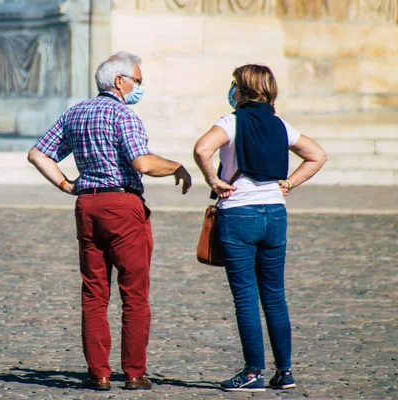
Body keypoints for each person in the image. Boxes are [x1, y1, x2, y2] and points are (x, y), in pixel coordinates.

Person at [27, 52, 192, 391]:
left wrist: (66, 184)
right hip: (122, 205)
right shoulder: (123, 115)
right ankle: (134, 373)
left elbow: (37, 153)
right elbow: (142, 163)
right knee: (134, 294)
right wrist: (176, 167)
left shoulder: (75, 112)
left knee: (93, 293)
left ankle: (99, 374)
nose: (139, 87)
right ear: (120, 81)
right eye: (138, 81)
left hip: (88, 205)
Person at [193, 64, 327, 392]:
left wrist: (214, 179)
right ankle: (285, 372)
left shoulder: (232, 121)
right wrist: (290, 183)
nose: (231, 89)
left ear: (242, 89)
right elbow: (317, 155)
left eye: (234, 84)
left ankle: (253, 371)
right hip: (275, 215)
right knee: (275, 296)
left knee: (246, 297)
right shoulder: (280, 124)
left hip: (239, 213)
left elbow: (202, 149)